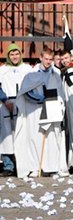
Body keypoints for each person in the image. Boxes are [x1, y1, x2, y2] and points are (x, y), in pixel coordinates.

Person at [13, 47, 68, 178]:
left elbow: (60, 93)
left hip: (51, 109)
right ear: (41, 58)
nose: (48, 62)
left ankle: (51, 166)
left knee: (52, 138)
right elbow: (25, 93)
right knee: (34, 137)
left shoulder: (56, 74)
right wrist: (38, 99)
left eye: (50, 59)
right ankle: (34, 166)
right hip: (34, 111)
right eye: (46, 59)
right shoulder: (31, 75)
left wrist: (58, 106)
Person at [0, 43, 33, 176]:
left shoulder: (26, 69)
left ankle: (22, 165)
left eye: (17, 54)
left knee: (23, 134)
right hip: (6, 103)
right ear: (8, 55)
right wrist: (5, 100)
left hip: (23, 103)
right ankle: (9, 166)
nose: (14, 57)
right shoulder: (2, 70)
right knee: (6, 134)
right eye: (12, 54)